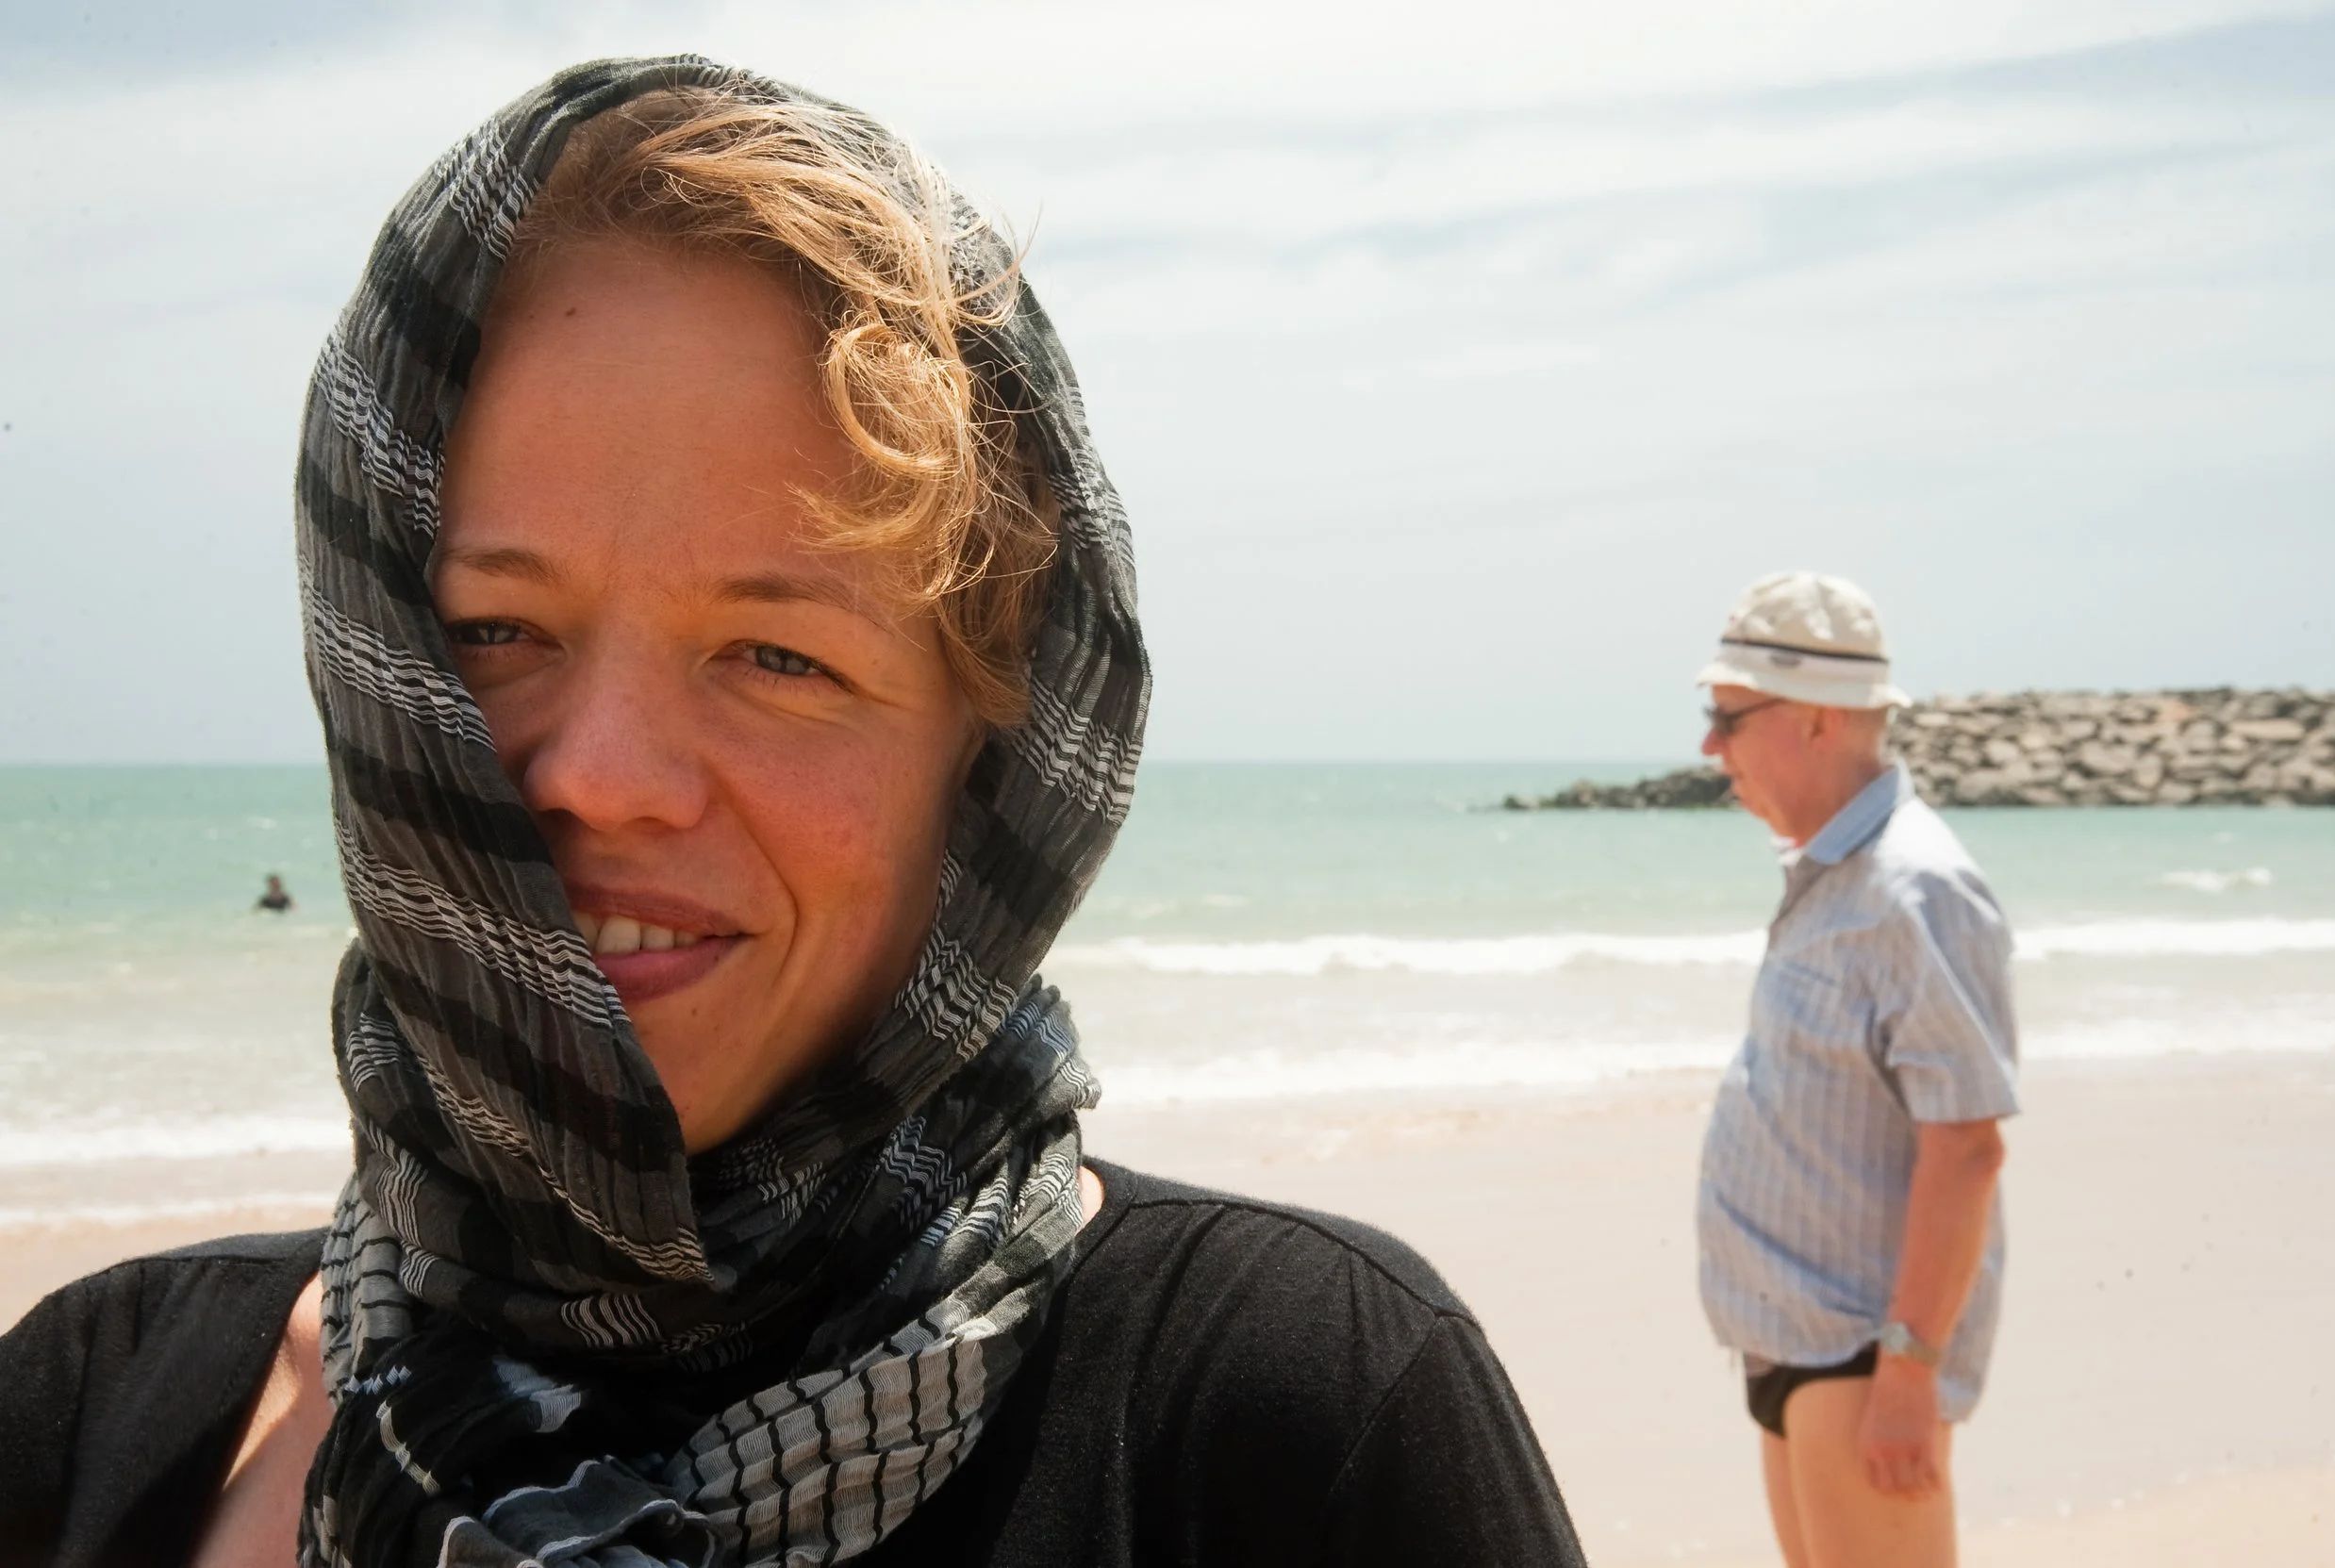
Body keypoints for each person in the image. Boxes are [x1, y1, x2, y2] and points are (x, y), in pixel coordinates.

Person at [0, 59, 1584, 1568]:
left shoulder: (1291, 1417)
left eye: (778, 653)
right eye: (496, 629)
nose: (605, 773)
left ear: (989, 762)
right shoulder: (91, 1407)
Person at [1692, 571, 2017, 1568]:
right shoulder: (1832, 877)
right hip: (1791, 1339)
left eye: (1727, 716)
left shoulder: (1911, 887)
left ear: (1814, 723)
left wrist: (1908, 1370)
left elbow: (1965, 1144)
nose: (1709, 746)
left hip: (1862, 1351)